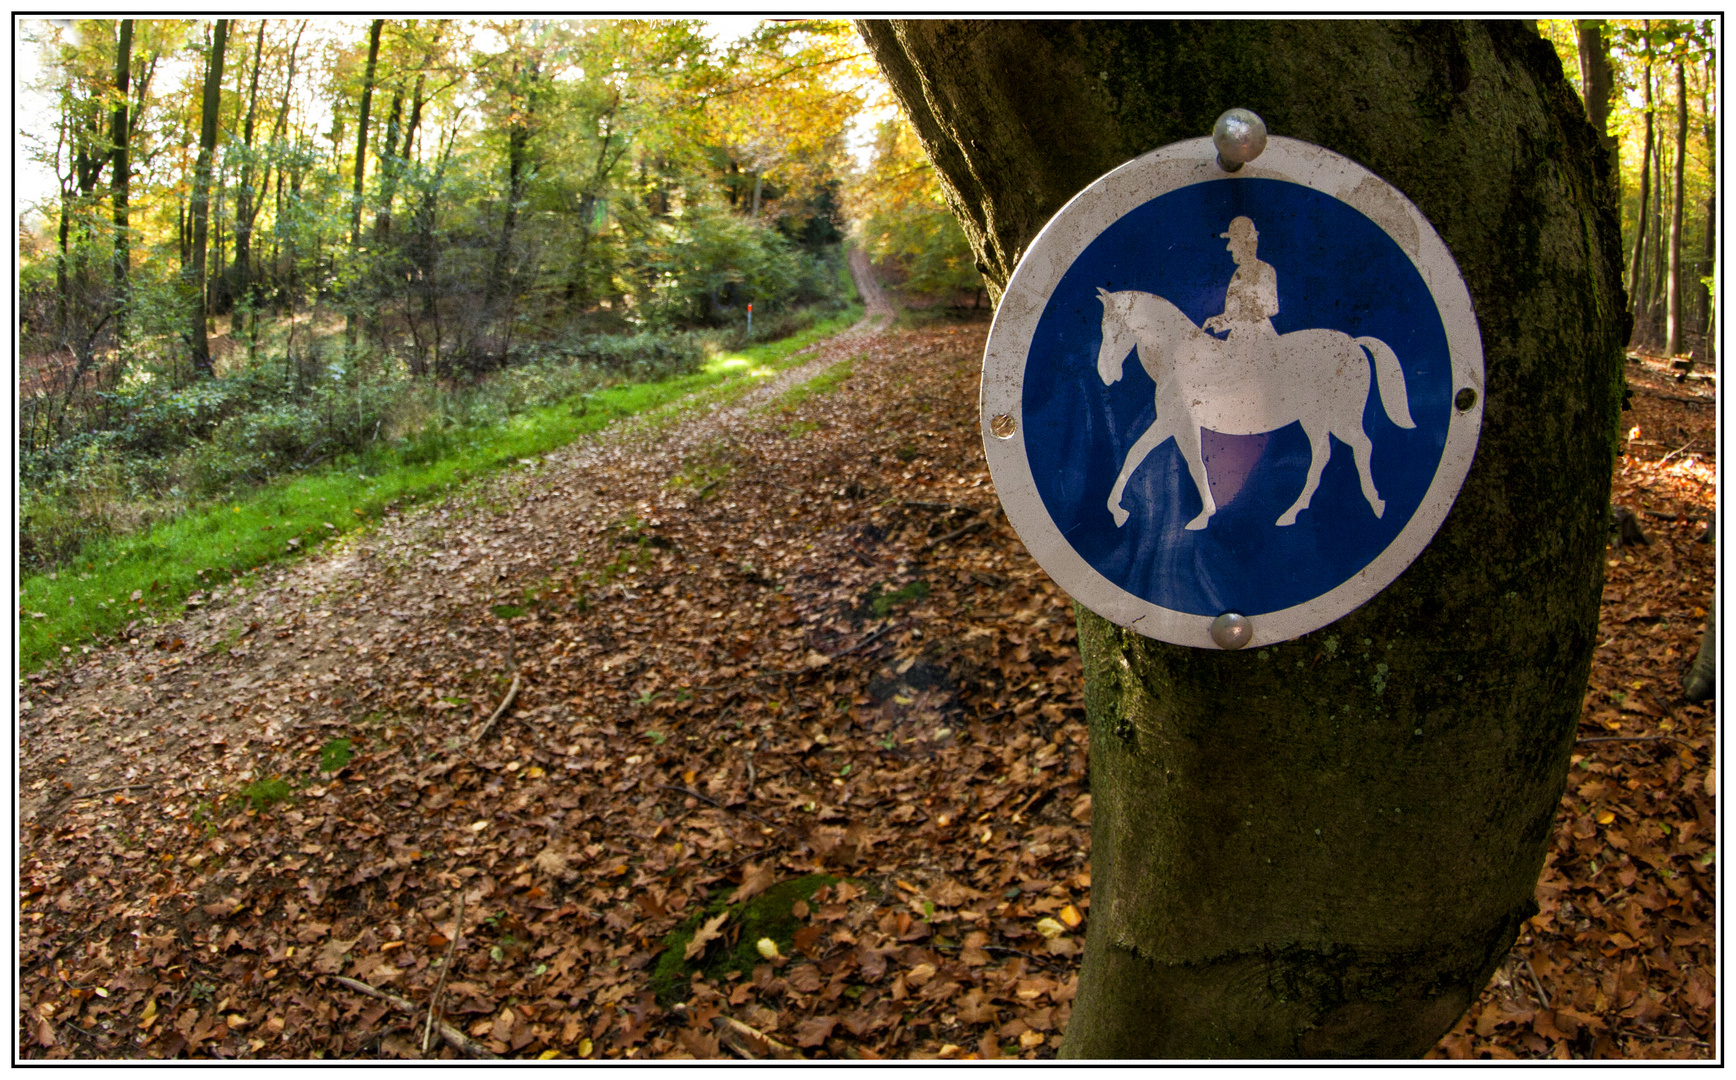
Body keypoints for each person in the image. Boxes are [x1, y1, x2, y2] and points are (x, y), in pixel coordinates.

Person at [1201, 216, 1278, 341]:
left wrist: (1243, 317)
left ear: (1245, 243)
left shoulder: (1265, 270)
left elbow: (1271, 308)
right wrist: (1216, 321)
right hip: (1238, 337)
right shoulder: (1237, 275)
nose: (1229, 247)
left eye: (1232, 241)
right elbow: (1231, 315)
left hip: (1260, 337)